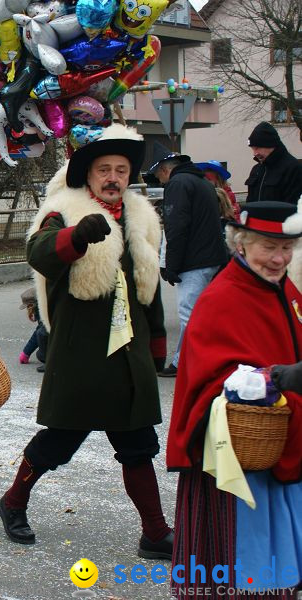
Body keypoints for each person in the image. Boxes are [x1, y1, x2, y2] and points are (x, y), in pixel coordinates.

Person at [0, 125, 173, 560]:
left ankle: (155, 532)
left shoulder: (141, 217)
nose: (112, 177)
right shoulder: (64, 210)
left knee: (137, 444)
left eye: (120, 169)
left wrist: (156, 348)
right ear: (88, 174)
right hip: (81, 350)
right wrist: (76, 237)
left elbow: (146, 287)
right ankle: (13, 502)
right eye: (103, 169)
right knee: (60, 440)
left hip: (128, 352)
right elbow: (38, 252)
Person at [167, 201, 302, 599]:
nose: (279, 258)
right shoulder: (222, 298)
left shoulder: (284, 288)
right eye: (268, 247)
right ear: (240, 244)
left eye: (287, 248)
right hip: (237, 461)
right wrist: (275, 377)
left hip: (281, 447)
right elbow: (214, 384)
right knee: (247, 570)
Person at [148, 148, 228, 378]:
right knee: (201, 314)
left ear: (165, 170)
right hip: (211, 257)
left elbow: (176, 227)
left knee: (189, 315)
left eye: (159, 176)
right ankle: (188, 360)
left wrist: (171, 264)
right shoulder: (201, 182)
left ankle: (189, 362)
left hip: (194, 261)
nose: (160, 180)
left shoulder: (177, 185)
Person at [246, 121, 302, 204]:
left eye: (257, 148)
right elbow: (250, 203)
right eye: (253, 149)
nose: (255, 153)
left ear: (270, 145)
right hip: (255, 217)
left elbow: (293, 205)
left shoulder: (293, 168)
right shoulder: (256, 170)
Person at [18, 287, 47, 372]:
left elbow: (39, 333)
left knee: (40, 354)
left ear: (31, 305)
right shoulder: (46, 303)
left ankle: (50, 363)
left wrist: (26, 353)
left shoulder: (41, 310)